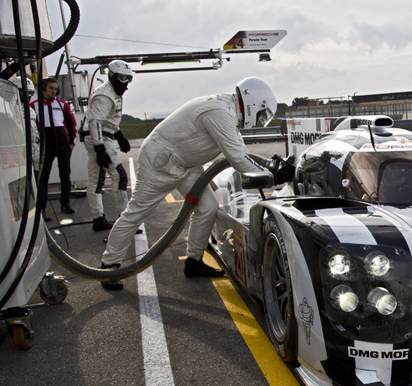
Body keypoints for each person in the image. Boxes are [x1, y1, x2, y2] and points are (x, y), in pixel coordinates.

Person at [99, 77, 290, 291]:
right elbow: (237, 159)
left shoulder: (228, 112)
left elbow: (243, 154)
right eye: (260, 115)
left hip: (185, 163)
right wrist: (274, 177)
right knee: (137, 212)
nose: (258, 120)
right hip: (162, 161)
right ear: (253, 102)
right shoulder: (220, 113)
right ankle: (109, 267)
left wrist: (272, 168)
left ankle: (193, 262)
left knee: (208, 207)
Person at [81, 60, 134, 232]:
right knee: (119, 175)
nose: (125, 83)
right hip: (99, 138)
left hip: (100, 136)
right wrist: (99, 148)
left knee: (96, 179)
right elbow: (95, 122)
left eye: (128, 79)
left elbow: (107, 121)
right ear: (112, 76)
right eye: (122, 78)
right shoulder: (105, 95)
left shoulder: (112, 93)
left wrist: (119, 135)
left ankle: (98, 219)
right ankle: (124, 221)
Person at [30, 76, 77, 220]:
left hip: (63, 145)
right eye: (51, 88)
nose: (53, 91)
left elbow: (71, 124)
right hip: (46, 147)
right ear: (44, 88)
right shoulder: (34, 105)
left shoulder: (62, 105)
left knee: (65, 176)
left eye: (56, 89)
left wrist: (71, 142)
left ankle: (65, 204)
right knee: (43, 178)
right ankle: (42, 209)